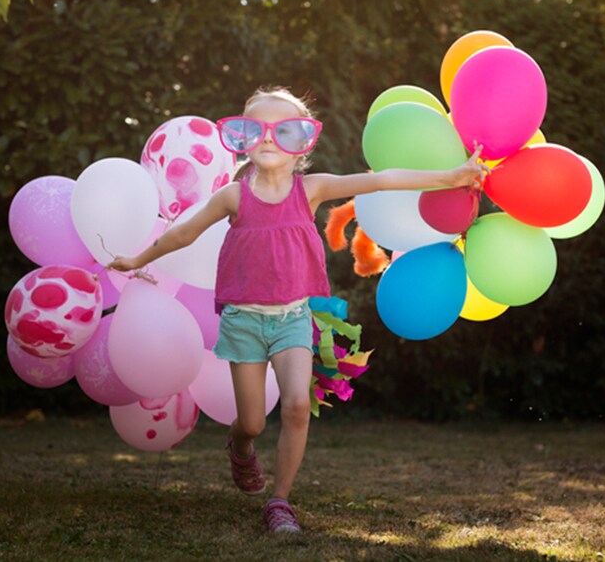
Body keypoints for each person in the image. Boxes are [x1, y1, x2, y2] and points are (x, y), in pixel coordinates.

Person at [107, 87, 488, 534]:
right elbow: (184, 234)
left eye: (283, 129)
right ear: (243, 138)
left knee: (296, 407)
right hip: (244, 322)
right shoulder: (234, 196)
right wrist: (137, 260)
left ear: (302, 141)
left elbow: (383, 180)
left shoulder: (312, 189)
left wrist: (454, 176)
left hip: (292, 319)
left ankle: (279, 502)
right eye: (257, 129)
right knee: (251, 421)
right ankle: (241, 447)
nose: (269, 139)